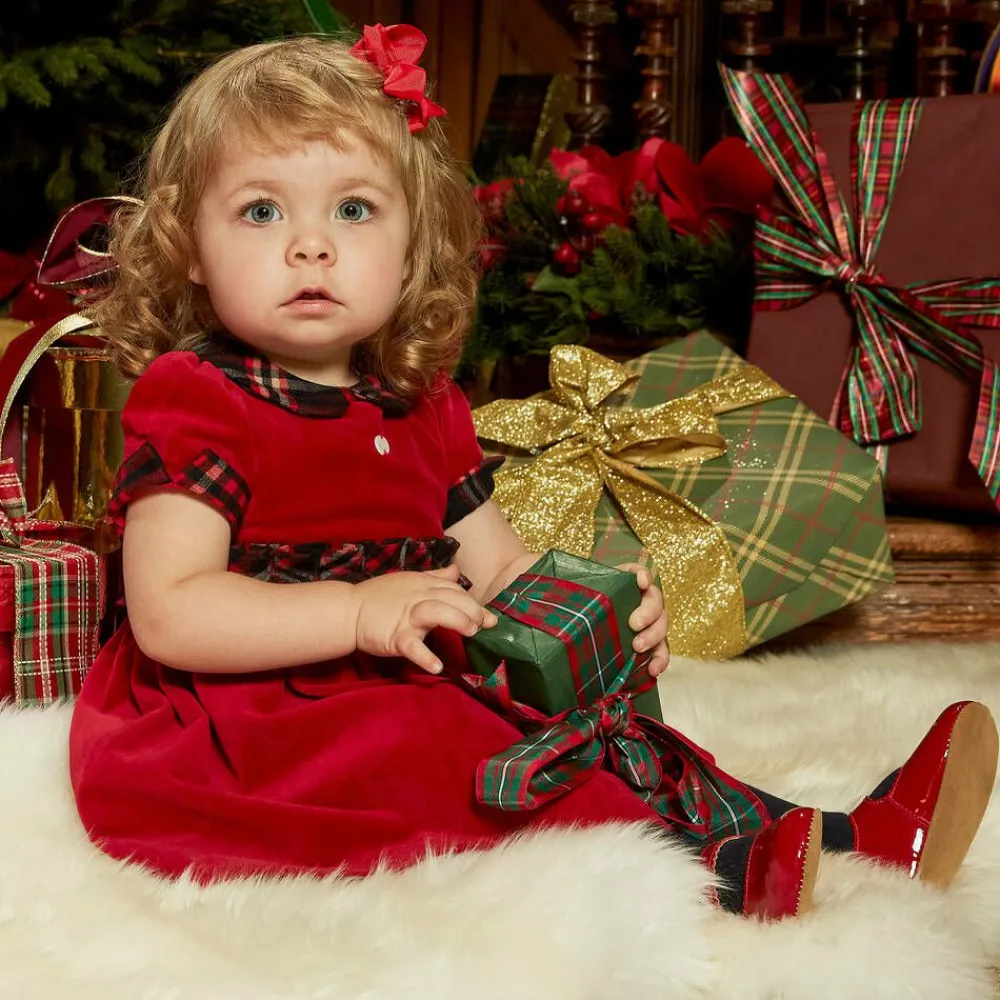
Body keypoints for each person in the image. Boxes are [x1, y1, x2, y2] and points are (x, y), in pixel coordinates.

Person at [68, 25, 998, 922]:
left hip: (397, 671)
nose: (310, 245)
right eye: (261, 211)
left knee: (603, 728)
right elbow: (172, 612)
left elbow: (501, 570)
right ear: (189, 245)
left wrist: (598, 617)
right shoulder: (199, 399)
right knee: (468, 751)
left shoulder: (420, 403)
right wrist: (356, 613)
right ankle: (715, 873)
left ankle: (842, 835)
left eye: (352, 210)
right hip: (245, 719)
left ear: (411, 242)